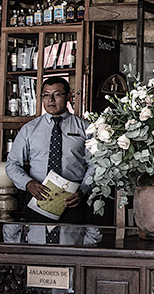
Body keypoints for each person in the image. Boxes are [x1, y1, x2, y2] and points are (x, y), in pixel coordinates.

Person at [6, 77, 92, 224]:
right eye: (46, 95)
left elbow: (96, 164)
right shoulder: (29, 129)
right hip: (38, 198)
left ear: (68, 97)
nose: (51, 100)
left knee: (72, 244)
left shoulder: (85, 128)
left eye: (57, 94)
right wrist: (28, 183)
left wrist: (83, 190)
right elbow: (12, 164)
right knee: (38, 243)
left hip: (73, 200)